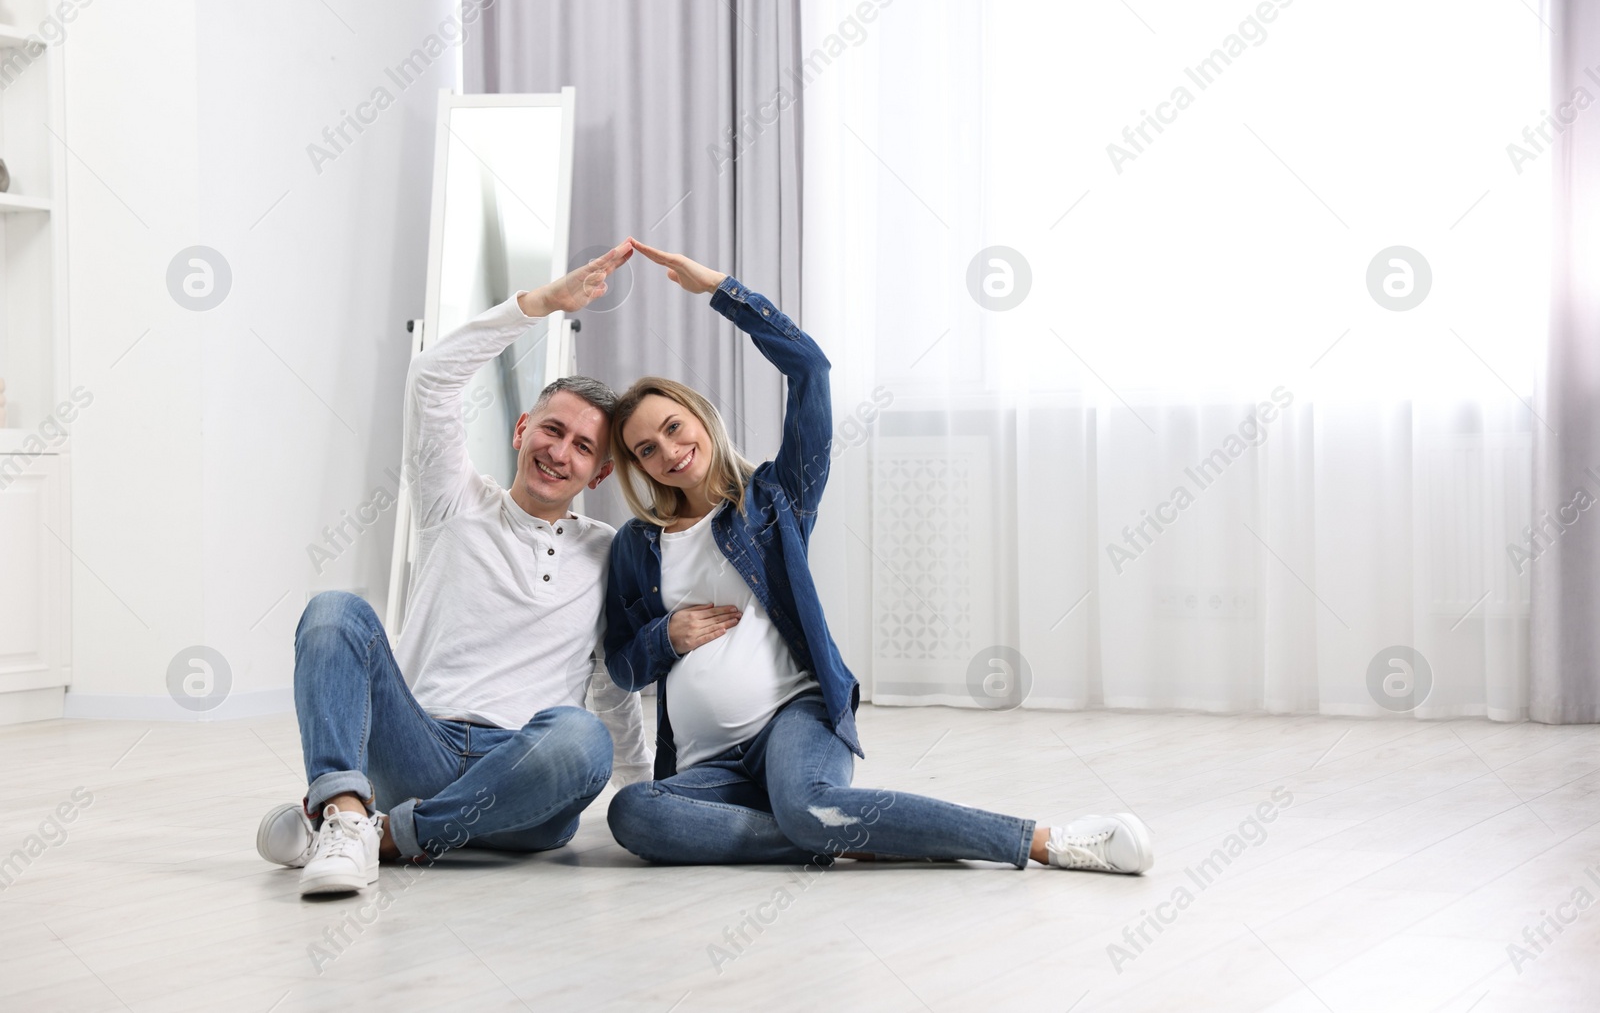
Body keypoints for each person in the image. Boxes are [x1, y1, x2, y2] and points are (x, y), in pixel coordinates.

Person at [601, 238, 1156, 874]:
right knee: (634, 813)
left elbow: (810, 371)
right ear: (637, 468)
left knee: (807, 806)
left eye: (673, 427)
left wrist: (725, 291)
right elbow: (622, 666)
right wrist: (666, 636)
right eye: (646, 449)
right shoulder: (637, 547)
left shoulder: (776, 498)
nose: (668, 451)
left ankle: (1042, 840)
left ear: (699, 417)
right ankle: (841, 830)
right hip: (706, 766)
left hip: (794, 718)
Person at [257, 241, 652, 896]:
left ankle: (368, 831)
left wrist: (642, 793)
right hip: (421, 748)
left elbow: (612, 688)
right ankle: (352, 811)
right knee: (335, 611)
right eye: (551, 430)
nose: (560, 452)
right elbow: (432, 378)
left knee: (582, 735)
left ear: (601, 471)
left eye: (583, 447)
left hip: (526, 773)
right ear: (523, 428)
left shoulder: (611, 552)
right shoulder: (456, 501)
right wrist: (542, 304)